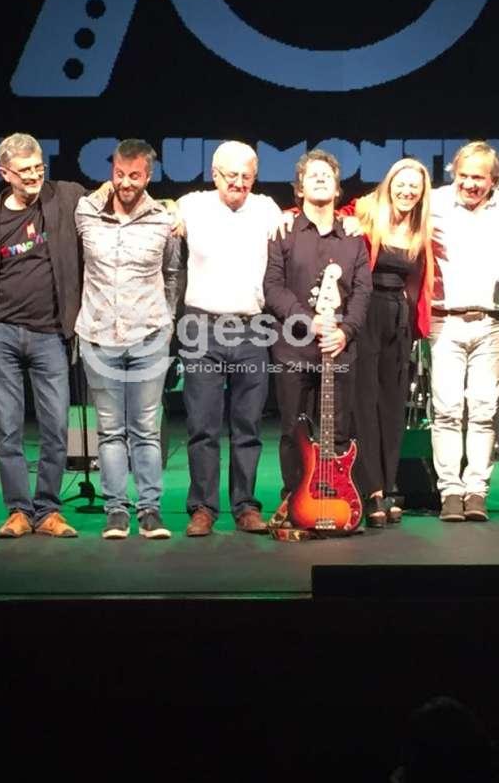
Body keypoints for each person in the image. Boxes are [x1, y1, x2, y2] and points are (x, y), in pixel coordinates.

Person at [0, 132, 85, 539]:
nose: (35, 176)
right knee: (7, 429)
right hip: (0, 333)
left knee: (56, 427)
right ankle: (19, 510)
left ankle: (48, 510)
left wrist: (171, 207)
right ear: (5, 173)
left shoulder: (65, 197)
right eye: (25, 171)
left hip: (49, 333)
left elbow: (110, 197)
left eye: (39, 167)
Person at [76, 139, 181, 540]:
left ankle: (150, 511)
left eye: (134, 175)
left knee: (145, 429)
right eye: (119, 174)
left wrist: (167, 323)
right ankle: (116, 512)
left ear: (148, 176)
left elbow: (172, 274)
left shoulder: (164, 220)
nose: (125, 182)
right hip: (98, 335)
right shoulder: (86, 211)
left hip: (148, 336)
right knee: (109, 430)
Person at [175, 140, 280, 536]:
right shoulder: (191, 205)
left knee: (247, 424)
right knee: (202, 424)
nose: (238, 182)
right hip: (202, 326)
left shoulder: (267, 209)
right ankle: (203, 507)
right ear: (214, 174)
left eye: (246, 175)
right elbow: (156, 209)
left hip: (252, 327)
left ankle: (246, 506)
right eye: (230, 174)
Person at [263, 149, 372, 523]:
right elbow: (273, 287)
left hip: (339, 349)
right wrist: (308, 322)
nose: (321, 179)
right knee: (293, 430)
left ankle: (334, 496)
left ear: (338, 188)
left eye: (328, 175)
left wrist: (345, 331)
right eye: (313, 175)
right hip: (293, 349)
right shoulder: (283, 232)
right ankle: (294, 502)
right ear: (299, 189)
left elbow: (363, 291)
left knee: (337, 431)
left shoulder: (353, 237)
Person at [427, 142, 499, 523]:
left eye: (478, 178)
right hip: (444, 320)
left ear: (494, 180)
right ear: (454, 173)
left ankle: (476, 491)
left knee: (484, 411)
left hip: (491, 322)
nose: (469, 184)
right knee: (447, 410)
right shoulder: (434, 203)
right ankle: (450, 491)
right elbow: (383, 206)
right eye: (463, 176)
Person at [343, 157, 434, 527]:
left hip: (399, 318)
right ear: (389, 184)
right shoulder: (363, 212)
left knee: (393, 406)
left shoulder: (420, 227)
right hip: (366, 314)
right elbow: (320, 213)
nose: (407, 191)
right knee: (364, 403)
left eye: (415, 186)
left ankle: (390, 480)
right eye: (402, 183)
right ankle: (371, 489)